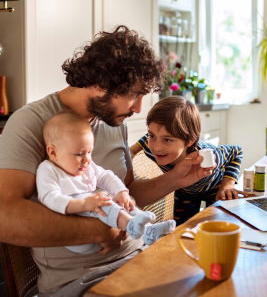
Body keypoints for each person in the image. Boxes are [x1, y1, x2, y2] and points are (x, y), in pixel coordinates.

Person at [0, 26, 214, 296]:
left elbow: (127, 192)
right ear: (101, 83)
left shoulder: (113, 122)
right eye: (134, 95)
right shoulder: (30, 123)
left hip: (140, 255)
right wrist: (98, 231)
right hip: (84, 279)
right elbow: (4, 216)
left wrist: (177, 178)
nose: (138, 108)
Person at [38, 111, 176, 254]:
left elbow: (105, 176)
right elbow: (49, 197)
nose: (86, 159)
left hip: (99, 222)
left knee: (123, 203)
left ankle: (149, 230)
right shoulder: (48, 170)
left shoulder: (86, 166)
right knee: (101, 200)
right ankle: (130, 224)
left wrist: (121, 192)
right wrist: (85, 204)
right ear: (53, 153)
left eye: (89, 152)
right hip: (80, 237)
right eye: (79, 154)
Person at [129, 96, 247, 226]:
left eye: (167, 140)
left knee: (216, 227)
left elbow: (236, 151)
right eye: (153, 136)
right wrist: (133, 150)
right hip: (184, 192)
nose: (156, 148)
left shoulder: (207, 156)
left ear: (190, 140)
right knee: (183, 229)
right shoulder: (150, 148)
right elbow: (146, 138)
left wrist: (227, 185)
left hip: (214, 189)